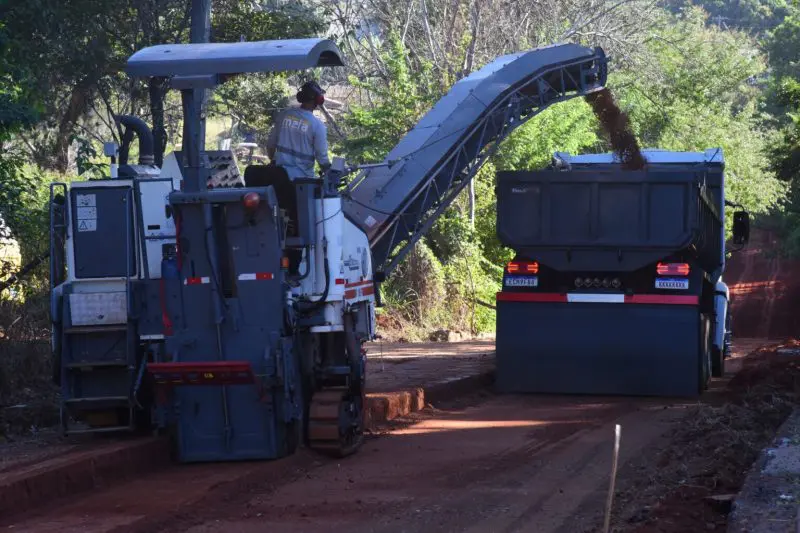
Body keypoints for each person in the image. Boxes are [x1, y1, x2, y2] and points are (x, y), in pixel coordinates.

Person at [265, 80, 331, 180]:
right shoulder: (318, 126)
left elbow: (270, 145)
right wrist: (330, 172)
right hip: (302, 182)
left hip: (278, 176)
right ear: (318, 100)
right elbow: (322, 158)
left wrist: (274, 161)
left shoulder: (284, 115)